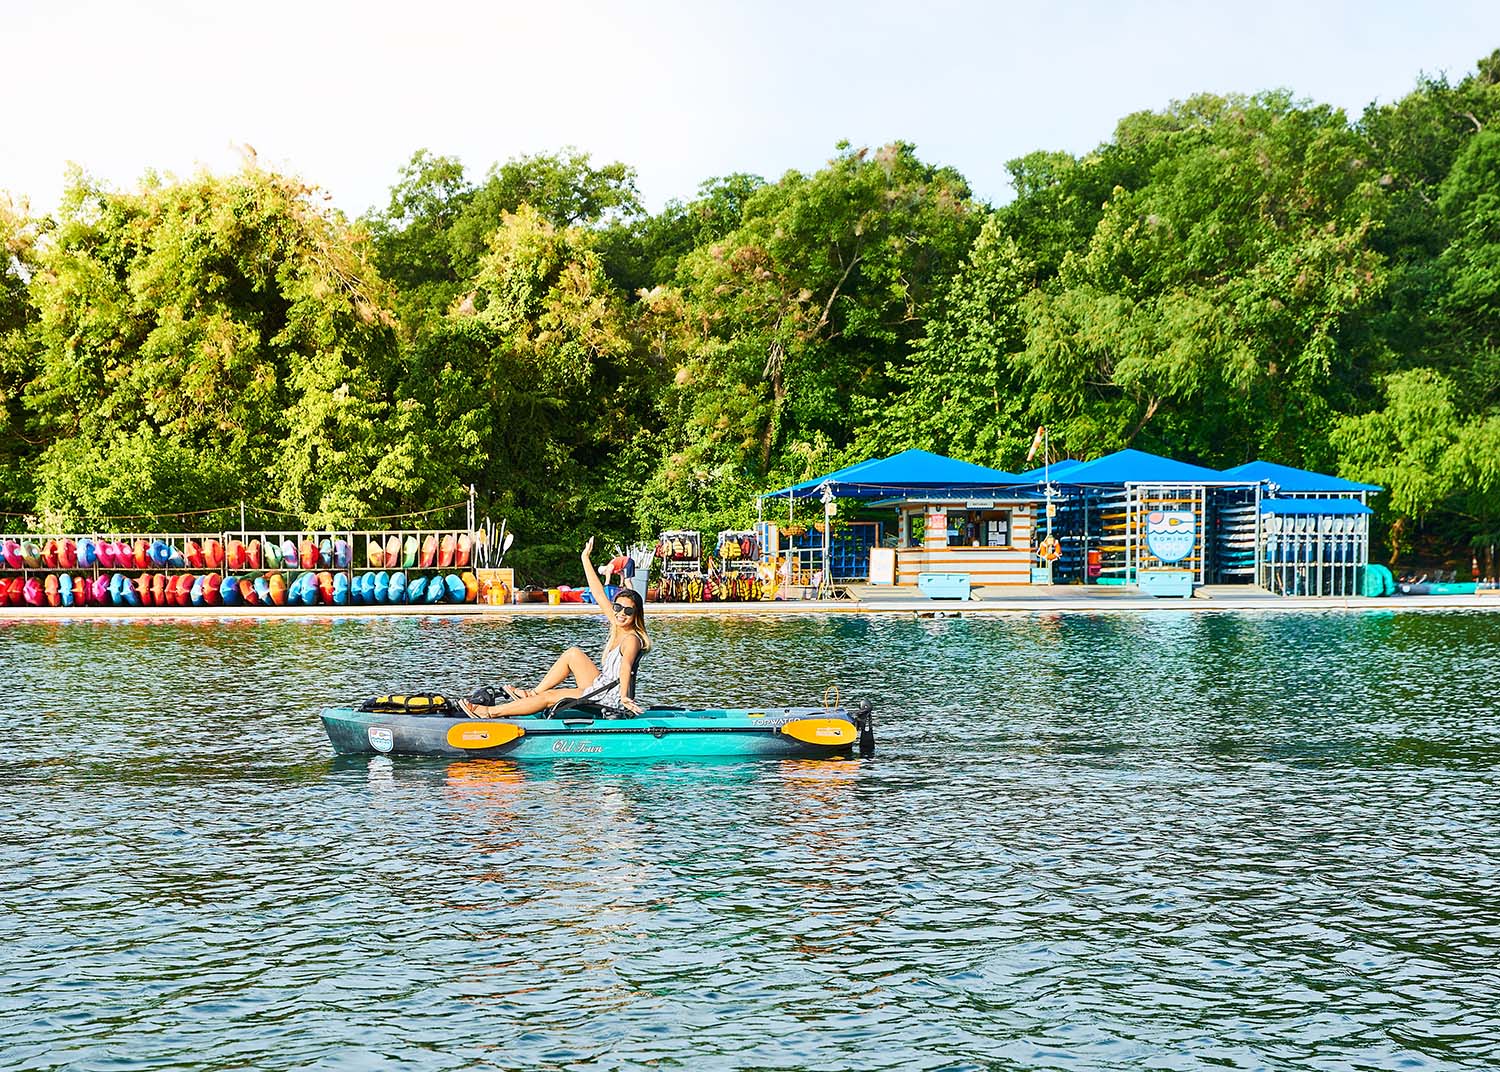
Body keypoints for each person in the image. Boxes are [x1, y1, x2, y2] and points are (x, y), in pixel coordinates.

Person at [459, 537, 651, 718]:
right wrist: (584, 558)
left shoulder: (631, 639)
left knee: (549, 697)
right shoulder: (617, 624)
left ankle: (489, 713)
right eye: (617, 607)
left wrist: (625, 697)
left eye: (628, 611)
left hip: (611, 699)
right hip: (603, 685)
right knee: (573, 654)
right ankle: (531, 694)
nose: (621, 613)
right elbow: (599, 594)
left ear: (636, 615)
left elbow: (626, 667)